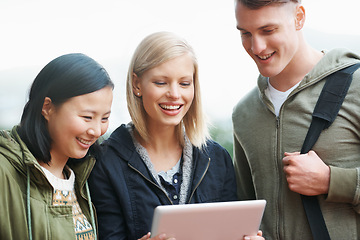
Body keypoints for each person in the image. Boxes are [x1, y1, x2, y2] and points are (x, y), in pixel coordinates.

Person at [88, 31, 264, 240]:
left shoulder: (217, 159)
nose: (174, 94)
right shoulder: (106, 162)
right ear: (137, 84)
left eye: (184, 83)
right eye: (161, 82)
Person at [232, 0, 360, 239]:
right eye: (245, 33)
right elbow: (244, 209)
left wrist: (332, 181)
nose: (257, 47)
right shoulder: (243, 113)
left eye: (268, 30)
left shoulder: (357, 87)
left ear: (299, 17)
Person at [0, 53, 114, 240]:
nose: (96, 130)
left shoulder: (83, 179)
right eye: (87, 117)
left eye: (104, 118)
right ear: (48, 108)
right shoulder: (4, 172)